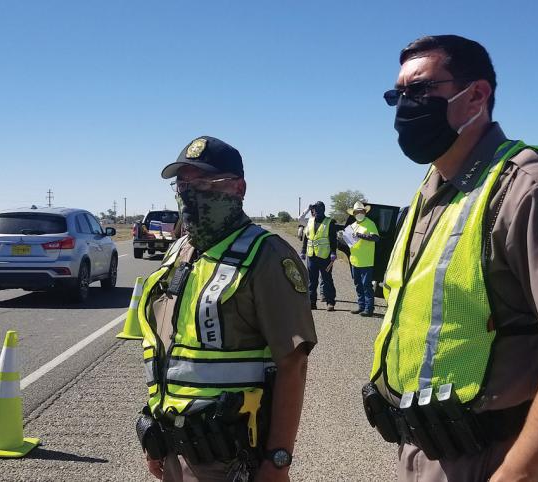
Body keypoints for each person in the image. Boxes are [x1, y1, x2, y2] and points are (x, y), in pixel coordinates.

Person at [363, 35, 538, 481]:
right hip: (429, 453)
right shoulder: (431, 190)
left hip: (497, 460)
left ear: (477, 94)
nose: (405, 106)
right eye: (397, 95)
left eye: (420, 90)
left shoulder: (531, 187)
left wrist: (512, 476)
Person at [136, 136, 317, 482]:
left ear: (238, 188)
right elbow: (168, 357)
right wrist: (155, 437)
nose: (189, 192)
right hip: (173, 447)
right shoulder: (179, 252)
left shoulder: (267, 256)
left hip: (229, 460)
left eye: (203, 182)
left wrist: (278, 461)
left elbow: (293, 365)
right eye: (183, 183)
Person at [300, 201, 338, 311]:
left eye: (317, 209)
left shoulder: (329, 222)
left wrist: (333, 252)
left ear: (323, 210)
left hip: (324, 256)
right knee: (312, 280)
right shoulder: (310, 221)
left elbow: (333, 239)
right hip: (311, 256)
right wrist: (303, 250)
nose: (315, 211)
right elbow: (307, 236)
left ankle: (330, 302)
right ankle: (312, 303)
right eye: (314, 209)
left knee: (327, 280)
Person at [345, 201, 379, 316]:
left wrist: (361, 235)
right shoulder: (352, 226)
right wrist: (341, 237)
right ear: (354, 214)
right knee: (358, 285)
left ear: (365, 212)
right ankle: (361, 306)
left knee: (366, 285)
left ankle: (369, 309)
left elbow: (375, 238)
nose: (359, 213)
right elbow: (349, 242)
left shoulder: (370, 224)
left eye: (361, 211)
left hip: (366, 260)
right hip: (355, 260)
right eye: (357, 212)